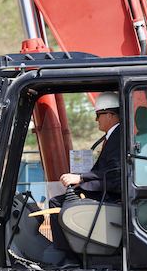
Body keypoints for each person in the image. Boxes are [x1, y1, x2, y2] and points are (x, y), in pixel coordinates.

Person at [49, 92, 121, 256]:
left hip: (110, 194)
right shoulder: (114, 136)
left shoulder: (117, 138)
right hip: (106, 189)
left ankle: (67, 255)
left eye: (98, 115)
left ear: (110, 114)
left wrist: (81, 178)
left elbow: (114, 173)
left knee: (56, 203)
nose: (96, 120)